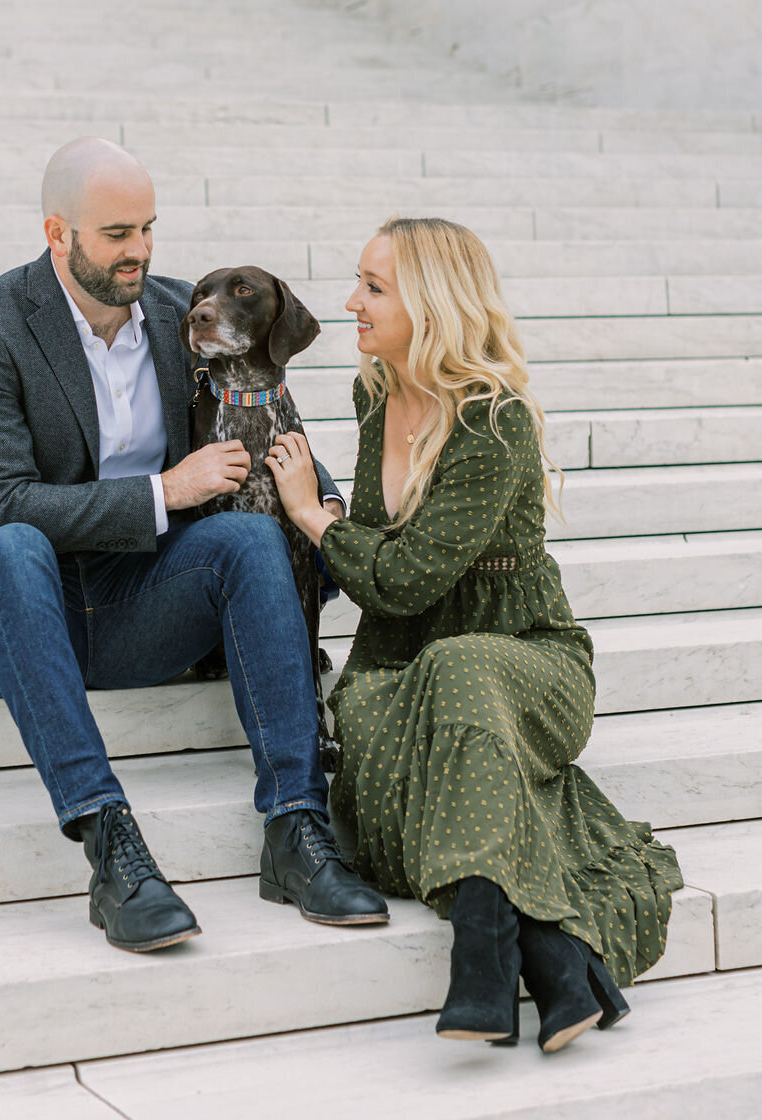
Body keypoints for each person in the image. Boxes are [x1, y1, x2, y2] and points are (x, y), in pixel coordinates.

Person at [0, 137, 388, 955]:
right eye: (118, 233)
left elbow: (251, 421)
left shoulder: (173, 315)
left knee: (249, 536)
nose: (142, 251)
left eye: (148, 229)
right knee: (17, 545)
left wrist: (322, 499)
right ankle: (110, 844)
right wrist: (168, 492)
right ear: (60, 234)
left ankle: (296, 828)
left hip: (129, 605)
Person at [265, 215, 682, 1052]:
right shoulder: (374, 392)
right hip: (401, 666)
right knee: (397, 718)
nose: (351, 302)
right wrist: (354, 534)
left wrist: (316, 519)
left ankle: (482, 959)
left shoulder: (495, 423)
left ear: (431, 302)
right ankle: (557, 965)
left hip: (530, 662)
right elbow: (393, 566)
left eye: (374, 287)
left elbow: (403, 577)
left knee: (459, 669)